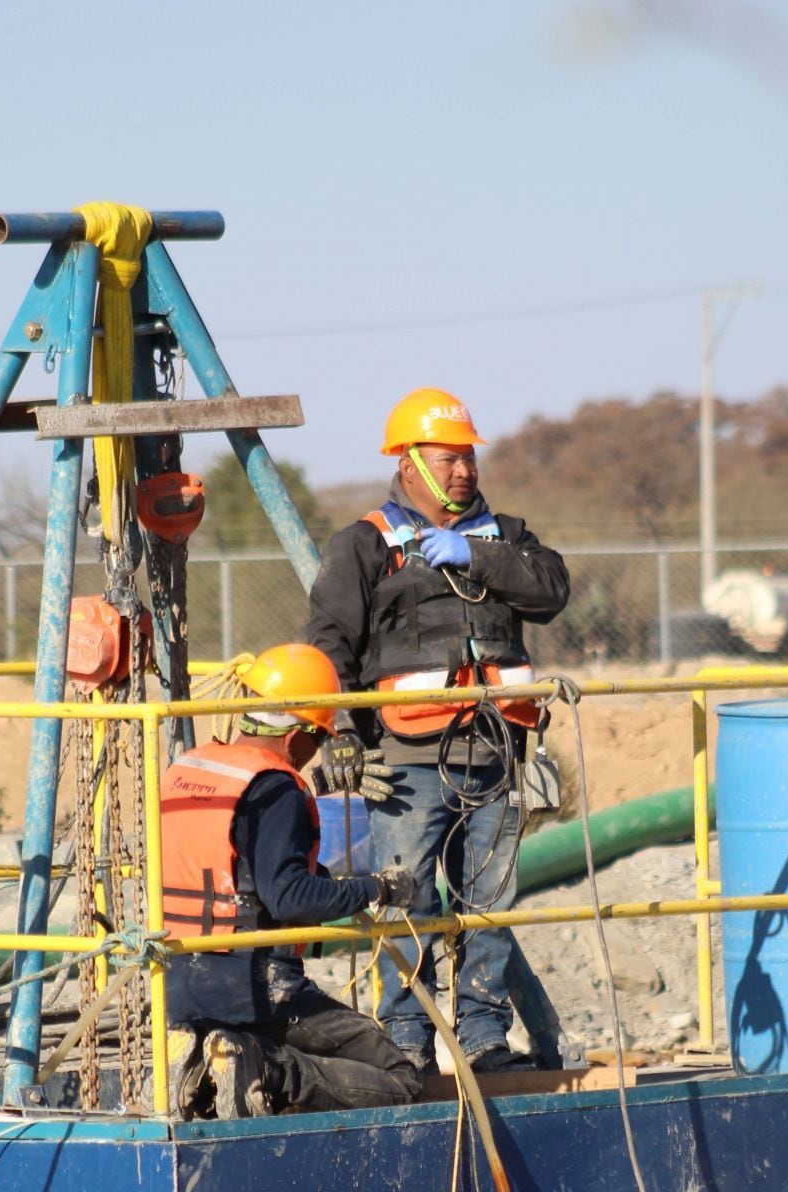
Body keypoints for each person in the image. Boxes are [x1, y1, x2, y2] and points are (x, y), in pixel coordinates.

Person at [306, 388, 570, 1074]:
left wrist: (475, 558)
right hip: (406, 759)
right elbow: (328, 646)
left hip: (495, 751)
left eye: (469, 457)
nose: (464, 470)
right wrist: (339, 732)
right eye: (450, 459)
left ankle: (484, 1039)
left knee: (489, 907)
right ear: (410, 463)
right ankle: (407, 1043)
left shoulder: (505, 539)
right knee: (407, 899)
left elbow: (550, 591)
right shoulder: (364, 546)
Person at [160, 643, 423, 1120]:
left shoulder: (192, 769)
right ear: (299, 735)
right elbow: (289, 898)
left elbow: (242, 873)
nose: (315, 752)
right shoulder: (277, 789)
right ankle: (265, 1066)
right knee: (397, 1077)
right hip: (251, 988)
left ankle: (206, 1066)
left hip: (176, 981)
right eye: (320, 738)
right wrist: (377, 889)